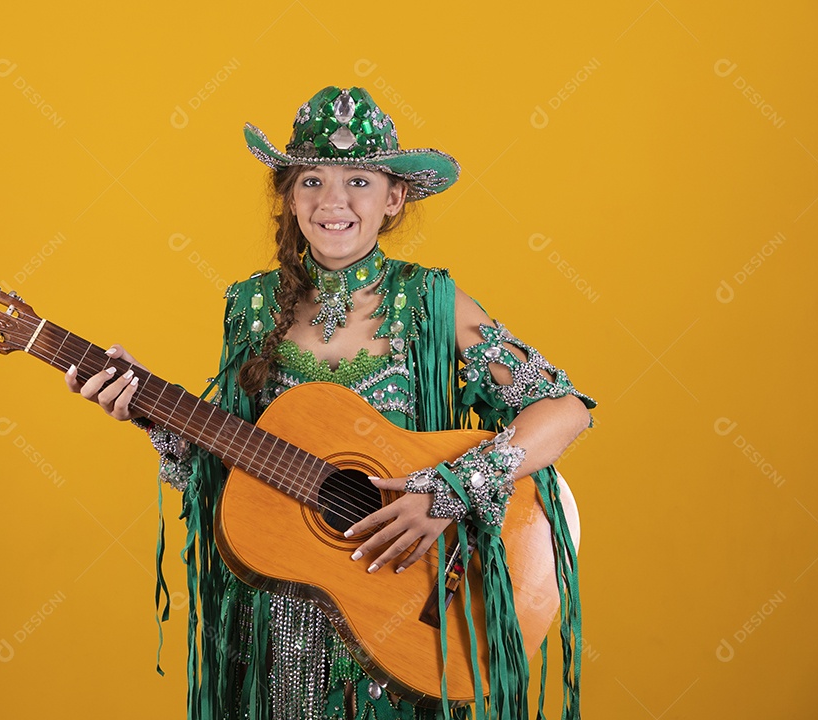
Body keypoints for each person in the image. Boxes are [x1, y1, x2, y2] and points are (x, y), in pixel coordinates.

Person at [65, 86, 597, 720]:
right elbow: (233, 471)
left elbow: (565, 410)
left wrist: (448, 490)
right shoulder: (252, 307)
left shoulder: (434, 303)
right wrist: (156, 416)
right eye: (311, 180)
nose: (333, 202)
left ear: (394, 198)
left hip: (412, 602)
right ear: (289, 197)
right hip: (285, 621)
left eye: (359, 182)